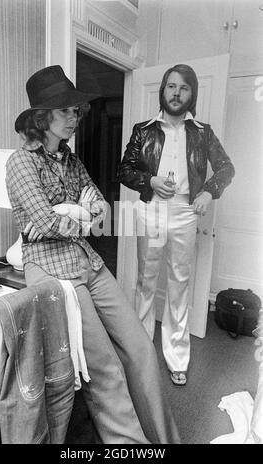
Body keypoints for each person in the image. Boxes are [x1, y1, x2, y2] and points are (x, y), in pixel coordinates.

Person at [6, 65, 180, 444]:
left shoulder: (71, 159)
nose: (74, 117)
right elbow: (47, 224)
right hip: (53, 271)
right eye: (65, 110)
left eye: (75, 110)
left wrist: (79, 211)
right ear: (41, 116)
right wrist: (77, 213)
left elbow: (99, 205)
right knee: (106, 369)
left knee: (140, 349)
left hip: (88, 261)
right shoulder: (20, 163)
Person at [117, 64, 235, 386]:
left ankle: (176, 357)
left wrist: (209, 193)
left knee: (179, 285)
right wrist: (150, 180)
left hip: (185, 212)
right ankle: (141, 354)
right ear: (163, 90)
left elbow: (226, 168)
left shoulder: (203, 133)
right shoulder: (144, 129)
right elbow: (124, 170)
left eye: (183, 88)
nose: (176, 93)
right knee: (145, 281)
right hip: (152, 210)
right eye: (171, 86)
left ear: (191, 94)